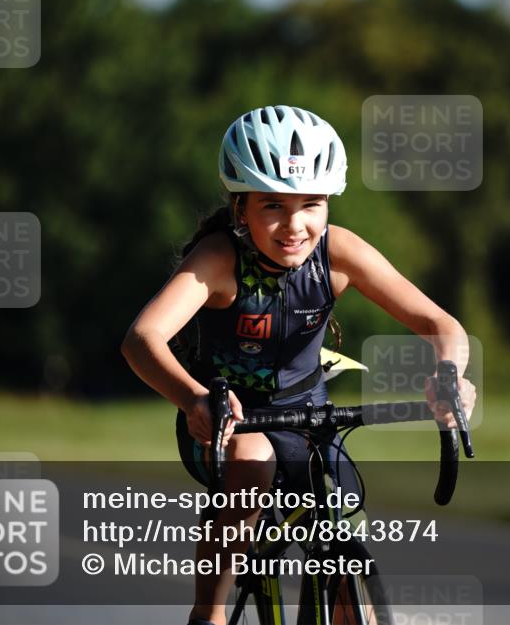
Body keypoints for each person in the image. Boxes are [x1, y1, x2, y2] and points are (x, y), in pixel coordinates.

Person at [121, 105, 477, 625]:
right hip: (226, 420)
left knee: (342, 537)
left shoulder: (338, 252)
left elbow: (440, 323)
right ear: (241, 208)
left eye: (311, 203)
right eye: (273, 205)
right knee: (253, 459)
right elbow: (141, 339)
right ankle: (209, 612)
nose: (295, 225)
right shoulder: (218, 260)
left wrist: (449, 375)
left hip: (310, 414)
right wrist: (193, 398)